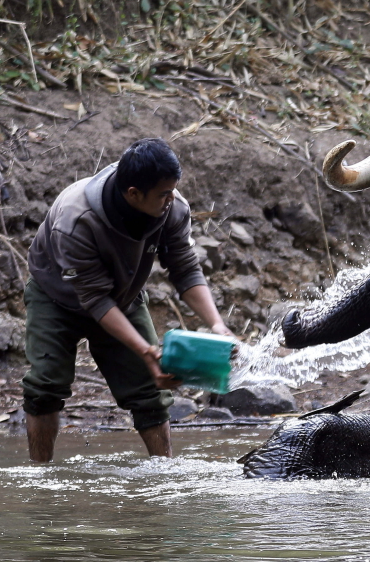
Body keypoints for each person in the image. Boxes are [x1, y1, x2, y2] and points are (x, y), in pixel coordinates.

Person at [21, 137, 233, 462]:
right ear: (133, 193)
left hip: (124, 296)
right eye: (164, 193)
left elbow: (185, 269)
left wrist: (217, 324)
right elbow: (95, 300)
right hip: (56, 297)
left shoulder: (171, 208)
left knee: (150, 392)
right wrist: (145, 351)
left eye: (173, 190)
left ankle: (163, 475)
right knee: (45, 386)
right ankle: (40, 477)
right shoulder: (75, 219)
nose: (172, 198)